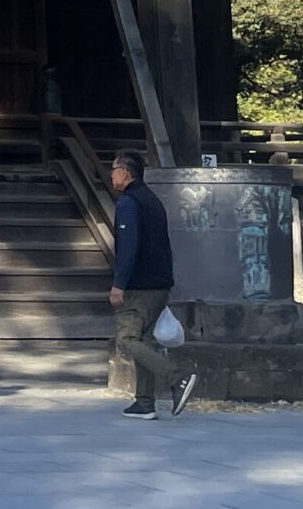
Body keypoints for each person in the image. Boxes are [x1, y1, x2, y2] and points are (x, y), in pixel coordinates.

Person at [107, 150, 197, 419]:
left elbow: (128, 247)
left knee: (127, 338)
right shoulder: (152, 200)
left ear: (125, 171)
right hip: (159, 282)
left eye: (113, 169)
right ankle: (144, 401)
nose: (111, 174)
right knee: (144, 340)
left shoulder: (128, 203)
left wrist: (118, 283)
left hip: (139, 284)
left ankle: (177, 377)